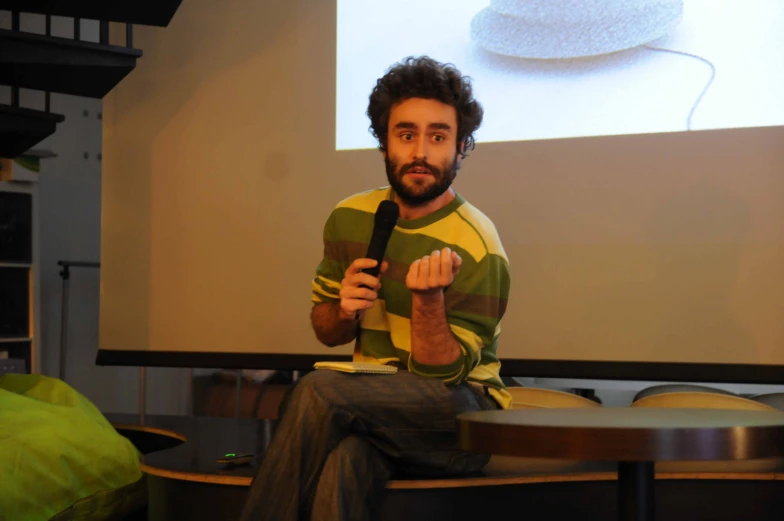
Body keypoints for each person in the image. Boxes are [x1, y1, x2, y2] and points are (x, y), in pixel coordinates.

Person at [239, 56, 511, 521]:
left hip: (462, 420)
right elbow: (326, 332)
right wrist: (344, 311)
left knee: (318, 392)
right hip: (371, 406)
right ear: (384, 144)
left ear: (461, 148)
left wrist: (428, 303)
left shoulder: (478, 242)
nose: (421, 152)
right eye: (406, 135)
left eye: (438, 137)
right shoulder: (351, 217)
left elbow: (444, 377)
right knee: (347, 461)